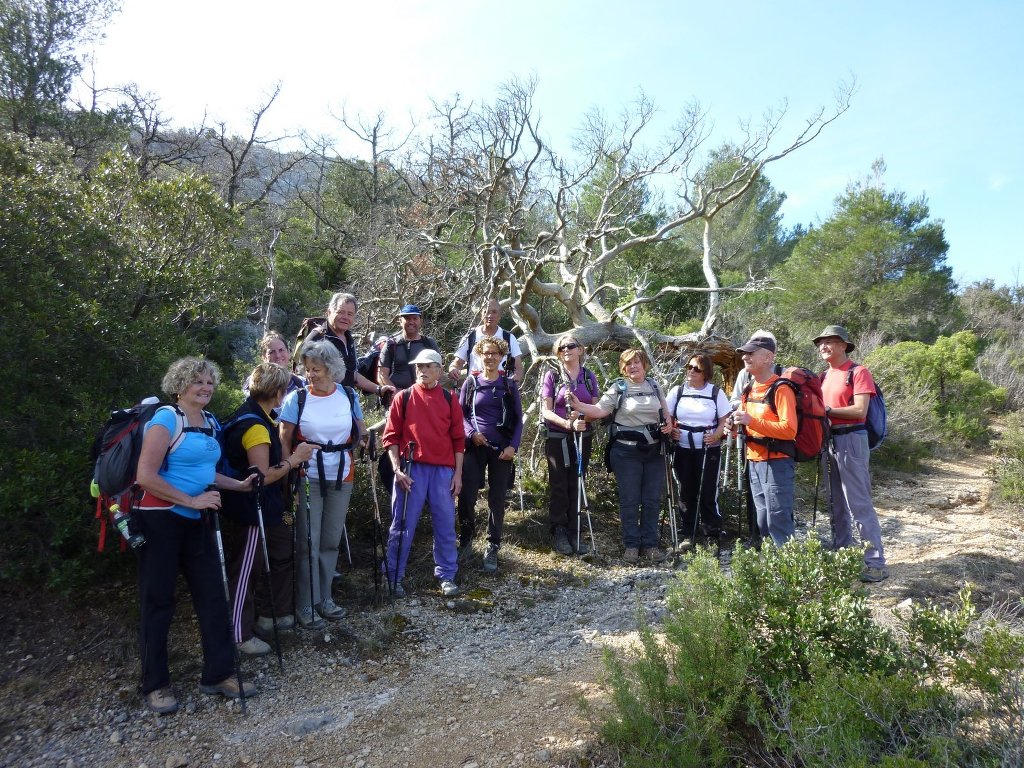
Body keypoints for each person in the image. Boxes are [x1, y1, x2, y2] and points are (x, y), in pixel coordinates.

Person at [134, 357, 258, 714]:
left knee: (213, 596)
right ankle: (155, 684)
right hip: (160, 520)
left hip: (197, 519)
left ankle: (218, 674)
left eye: (209, 382)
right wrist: (191, 499)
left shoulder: (209, 422)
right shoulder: (166, 419)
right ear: (180, 385)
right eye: (197, 381)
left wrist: (238, 484)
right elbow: (145, 475)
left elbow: (206, 471)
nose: (205, 387)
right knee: (158, 601)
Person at [221, 362, 318, 655]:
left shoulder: (253, 415)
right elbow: (261, 477)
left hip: (265, 508)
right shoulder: (255, 428)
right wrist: (295, 459)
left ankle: (270, 617)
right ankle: (239, 633)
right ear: (277, 392)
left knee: (277, 556)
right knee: (246, 569)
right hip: (252, 509)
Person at [279, 341, 364, 629]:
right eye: (308, 369)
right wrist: (287, 471)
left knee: (329, 541)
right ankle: (305, 603)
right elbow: (284, 440)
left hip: (342, 475)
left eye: (316, 369)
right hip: (307, 477)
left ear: (331, 368)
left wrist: (366, 439)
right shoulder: (297, 399)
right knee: (307, 542)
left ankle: (324, 598)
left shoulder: (348, 395)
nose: (310, 374)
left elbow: (359, 431)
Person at [569, 348, 673, 564]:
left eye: (636, 362)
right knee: (630, 500)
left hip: (654, 451)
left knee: (652, 499)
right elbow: (599, 411)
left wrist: (669, 426)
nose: (633, 366)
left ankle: (651, 545)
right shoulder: (619, 387)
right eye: (628, 363)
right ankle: (632, 546)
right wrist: (580, 406)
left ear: (644, 364)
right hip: (626, 453)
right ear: (623, 368)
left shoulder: (654, 386)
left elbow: (666, 414)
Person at [382, 349, 465, 597]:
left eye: (428, 367)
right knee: (402, 525)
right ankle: (393, 577)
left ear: (440, 370)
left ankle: (447, 576)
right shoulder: (403, 398)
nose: (423, 371)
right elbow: (390, 437)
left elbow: (459, 440)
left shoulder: (450, 399)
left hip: (443, 471)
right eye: (419, 367)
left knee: (445, 525)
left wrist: (458, 474)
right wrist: (397, 469)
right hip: (411, 469)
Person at [814, 324, 889, 583]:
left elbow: (860, 410)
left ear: (844, 345)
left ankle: (875, 562)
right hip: (830, 442)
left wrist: (827, 412)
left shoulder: (858, 372)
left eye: (830, 342)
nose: (824, 346)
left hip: (852, 439)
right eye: (821, 343)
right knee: (835, 503)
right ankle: (842, 556)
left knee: (858, 502)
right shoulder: (823, 377)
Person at [457, 336, 523, 573]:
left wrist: (513, 447)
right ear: (479, 355)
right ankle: (466, 541)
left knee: (497, 499)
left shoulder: (509, 385)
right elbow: (460, 415)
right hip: (474, 448)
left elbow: (518, 420)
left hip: (501, 451)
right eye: (486, 353)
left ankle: (492, 546)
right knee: (467, 496)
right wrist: (471, 433)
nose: (490, 357)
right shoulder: (471, 382)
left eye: (495, 353)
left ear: (502, 356)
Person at [729, 333, 797, 546]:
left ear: (768, 358)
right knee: (762, 520)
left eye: (751, 353)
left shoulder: (781, 388)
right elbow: (745, 425)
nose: (745, 358)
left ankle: (788, 575)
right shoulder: (748, 388)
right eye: (744, 354)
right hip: (754, 460)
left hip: (777, 462)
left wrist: (751, 420)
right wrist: (733, 427)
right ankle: (771, 569)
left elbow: (789, 430)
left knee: (778, 519)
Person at [540, 333, 599, 555]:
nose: (566, 350)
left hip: (583, 436)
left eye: (570, 346)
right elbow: (546, 411)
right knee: (559, 485)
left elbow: (597, 408)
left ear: (580, 350)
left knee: (577, 483)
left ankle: (576, 531)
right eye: (561, 347)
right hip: (557, 437)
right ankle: (559, 531)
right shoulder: (552, 376)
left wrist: (582, 418)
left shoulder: (588, 376)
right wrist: (567, 423)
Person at [666, 353, 732, 541]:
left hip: (708, 449)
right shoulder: (677, 391)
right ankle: (688, 532)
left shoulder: (715, 393)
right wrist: (672, 431)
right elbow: (667, 417)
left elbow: (725, 420)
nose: (691, 371)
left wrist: (717, 435)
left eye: (697, 368)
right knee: (686, 490)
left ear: (706, 372)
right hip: (682, 448)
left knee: (708, 489)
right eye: (689, 367)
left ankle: (712, 531)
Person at [304, 291, 396, 399]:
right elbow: (306, 376)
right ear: (329, 312)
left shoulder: (348, 338)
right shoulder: (318, 338)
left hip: (346, 403)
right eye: (341, 312)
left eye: (350, 314)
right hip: (323, 403)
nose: (345, 317)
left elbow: (352, 374)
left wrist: (378, 389)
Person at [448, 298, 525, 385]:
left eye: (494, 312)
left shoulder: (509, 338)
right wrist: (453, 369)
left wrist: (513, 384)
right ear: (481, 314)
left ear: (500, 315)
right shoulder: (470, 337)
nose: (490, 315)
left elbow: (518, 367)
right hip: (475, 390)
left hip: (502, 390)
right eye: (486, 312)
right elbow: (458, 363)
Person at [378, 304, 443, 398]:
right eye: (407, 318)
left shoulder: (429, 343)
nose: (411, 322)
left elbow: (439, 371)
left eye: (415, 318)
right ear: (400, 321)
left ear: (420, 321)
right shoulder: (391, 344)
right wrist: (396, 394)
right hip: (396, 398)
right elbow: (381, 374)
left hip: (425, 398)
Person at [243, 332, 305, 400]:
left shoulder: (302, 383)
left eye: (281, 350)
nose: (277, 356)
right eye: (271, 352)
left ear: (289, 353)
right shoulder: (254, 382)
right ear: (264, 357)